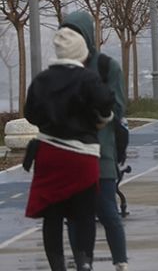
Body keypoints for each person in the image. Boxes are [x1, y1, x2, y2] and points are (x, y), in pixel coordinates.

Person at [25, 27, 114, 271]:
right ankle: (84, 261)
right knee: (84, 213)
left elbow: (30, 113)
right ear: (81, 53)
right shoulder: (88, 78)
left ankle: (57, 265)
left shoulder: (42, 79)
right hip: (82, 156)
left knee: (52, 215)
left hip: (49, 154)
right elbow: (106, 103)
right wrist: (98, 119)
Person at [62, 10, 130, 271]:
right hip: (70, 156)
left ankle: (120, 262)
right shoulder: (62, 70)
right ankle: (82, 264)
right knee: (74, 218)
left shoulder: (106, 67)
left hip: (101, 154)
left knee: (108, 213)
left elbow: (119, 108)